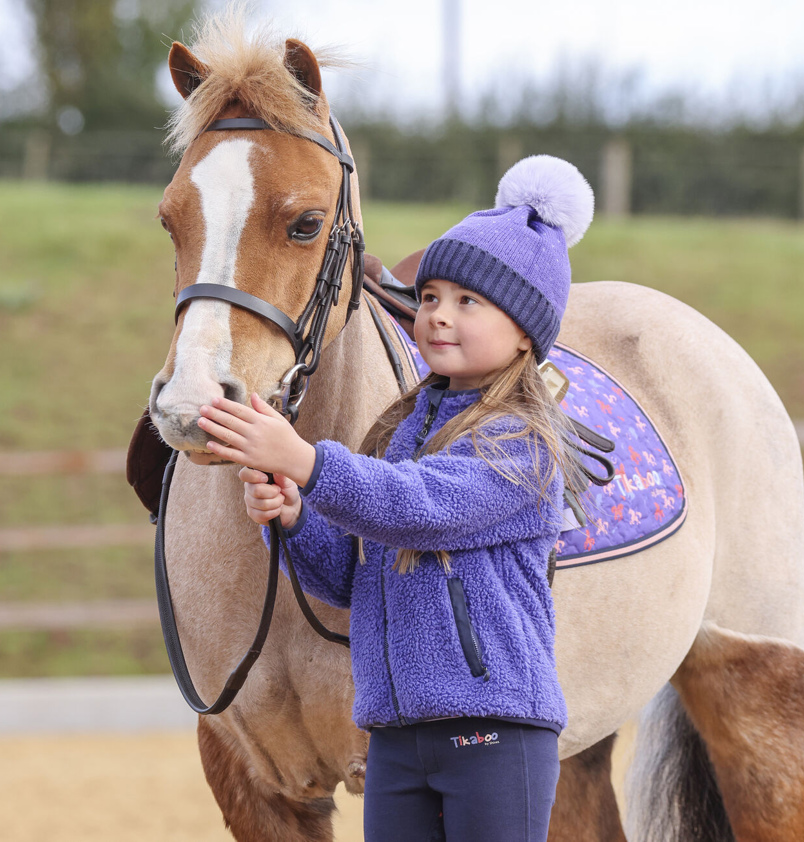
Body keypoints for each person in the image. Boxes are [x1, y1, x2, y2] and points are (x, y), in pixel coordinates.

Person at [196, 154, 594, 842]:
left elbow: (420, 506)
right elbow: (359, 578)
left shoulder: (525, 444)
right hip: (394, 736)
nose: (439, 316)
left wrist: (306, 463)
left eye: (468, 302)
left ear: (526, 331)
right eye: (432, 297)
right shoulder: (403, 432)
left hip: (493, 733)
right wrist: (293, 520)